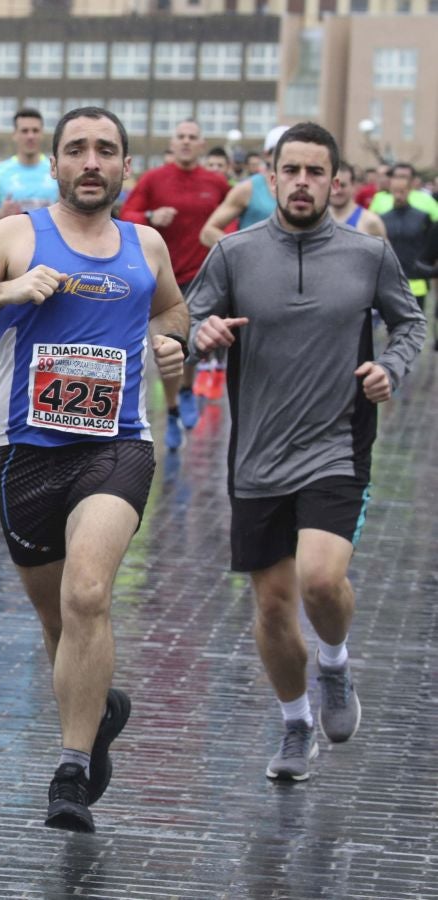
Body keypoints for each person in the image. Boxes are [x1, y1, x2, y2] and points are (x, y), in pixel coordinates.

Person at [0, 106, 189, 832]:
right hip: (25, 454)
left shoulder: (147, 245)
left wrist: (173, 347)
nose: (92, 161)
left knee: (89, 591)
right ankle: (100, 711)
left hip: (117, 445)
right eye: (78, 150)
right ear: (56, 165)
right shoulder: (14, 235)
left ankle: (70, 769)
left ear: (125, 167)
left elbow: (173, 315)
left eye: (107, 150)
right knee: (60, 621)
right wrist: (6, 290)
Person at [186, 122, 424, 782]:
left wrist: (391, 371)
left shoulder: (365, 255)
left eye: (315, 172)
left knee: (320, 580)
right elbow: (182, 328)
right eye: (290, 170)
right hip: (258, 453)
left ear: (335, 181)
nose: (301, 182)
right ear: (270, 177)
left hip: (337, 445)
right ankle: (296, 725)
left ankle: (337, 664)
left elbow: (409, 323)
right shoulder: (234, 254)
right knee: (270, 606)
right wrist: (198, 336)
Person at [119, 118, 228, 451]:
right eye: (180, 136)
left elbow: (232, 219)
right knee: (166, 347)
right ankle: (172, 408)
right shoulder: (154, 179)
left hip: (201, 275)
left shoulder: (216, 183)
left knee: (191, 341)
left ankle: (185, 390)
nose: (185, 142)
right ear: (173, 141)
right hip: (162, 276)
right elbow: (125, 216)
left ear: (201, 144)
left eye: (192, 137)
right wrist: (151, 216)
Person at [0, 108, 59, 220]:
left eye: (35, 131)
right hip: (11, 236)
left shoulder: (57, 171)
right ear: (14, 134)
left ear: (42, 134)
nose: (30, 136)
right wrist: (1, 213)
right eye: (24, 131)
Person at [377, 163, 435, 312]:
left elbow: (431, 245)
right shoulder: (382, 218)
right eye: (395, 191)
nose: (399, 195)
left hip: (416, 281)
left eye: (402, 191)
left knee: (417, 326)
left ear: (409, 191)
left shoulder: (422, 217)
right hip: (389, 281)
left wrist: (426, 266)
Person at [328, 163, 387, 238]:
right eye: (334, 185)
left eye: (343, 185)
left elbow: (385, 249)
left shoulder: (370, 221)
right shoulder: (318, 219)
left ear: (353, 185)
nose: (338, 190)